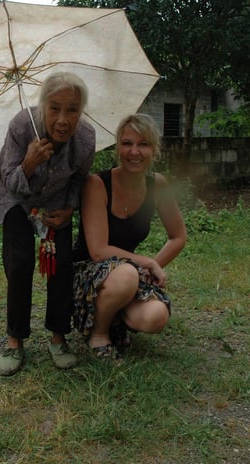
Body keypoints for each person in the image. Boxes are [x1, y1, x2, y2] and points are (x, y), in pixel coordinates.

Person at [0, 71, 96, 376]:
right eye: (55, 108)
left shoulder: (86, 138)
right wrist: (30, 162)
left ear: (81, 111)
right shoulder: (22, 127)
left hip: (55, 204)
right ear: (43, 107)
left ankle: (58, 337)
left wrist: (70, 208)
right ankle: (15, 340)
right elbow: (9, 179)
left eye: (72, 110)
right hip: (15, 200)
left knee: (62, 263)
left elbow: (79, 179)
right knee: (20, 261)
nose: (63, 119)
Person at [72, 113, 186, 359]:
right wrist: (146, 262)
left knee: (156, 317)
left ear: (154, 150)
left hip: (129, 274)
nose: (134, 151)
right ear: (117, 148)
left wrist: (147, 269)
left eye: (143, 144)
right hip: (88, 273)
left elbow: (178, 236)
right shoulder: (97, 184)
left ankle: (114, 316)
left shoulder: (158, 185)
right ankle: (99, 334)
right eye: (127, 143)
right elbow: (98, 251)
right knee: (126, 274)